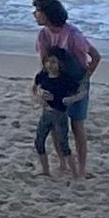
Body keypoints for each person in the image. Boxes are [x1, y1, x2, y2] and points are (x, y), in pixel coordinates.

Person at [32, 0, 101, 171]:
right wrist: (41, 88)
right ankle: (63, 163)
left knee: (77, 126)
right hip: (54, 83)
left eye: (38, 11)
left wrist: (83, 83)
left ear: (48, 14)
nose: (35, 14)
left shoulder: (73, 35)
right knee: (56, 125)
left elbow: (95, 57)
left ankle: (82, 168)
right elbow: (43, 65)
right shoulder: (43, 35)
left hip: (75, 83)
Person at [32, 38, 88, 178]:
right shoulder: (43, 76)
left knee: (64, 145)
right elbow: (34, 88)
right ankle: (45, 170)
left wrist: (69, 100)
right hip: (46, 113)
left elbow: (82, 92)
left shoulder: (65, 80)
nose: (50, 65)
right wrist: (39, 95)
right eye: (48, 61)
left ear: (60, 64)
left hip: (60, 114)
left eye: (54, 62)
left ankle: (75, 173)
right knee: (39, 141)